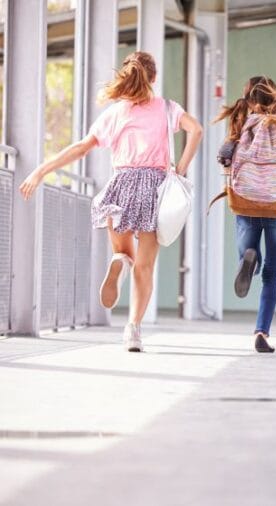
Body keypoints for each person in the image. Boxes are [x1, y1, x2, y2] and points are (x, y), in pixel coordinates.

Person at [19, 51, 203, 352]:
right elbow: (196, 130)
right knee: (144, 268)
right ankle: (133, 329)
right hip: (154, 189)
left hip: (120, 185)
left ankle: (119, 262)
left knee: (123, 253)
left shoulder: (116, 113)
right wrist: (180, 169)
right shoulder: (167, 108)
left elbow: (81, 148)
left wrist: (41, 170)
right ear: (153, 78)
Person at [214, 76, 276, 353]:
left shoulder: (241, 125)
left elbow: (224, 156)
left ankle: (248, 259)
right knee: (274, 273)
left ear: (248, 99)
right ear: (275, 97)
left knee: (248, 251)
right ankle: (262, 331)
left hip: (246, 201)